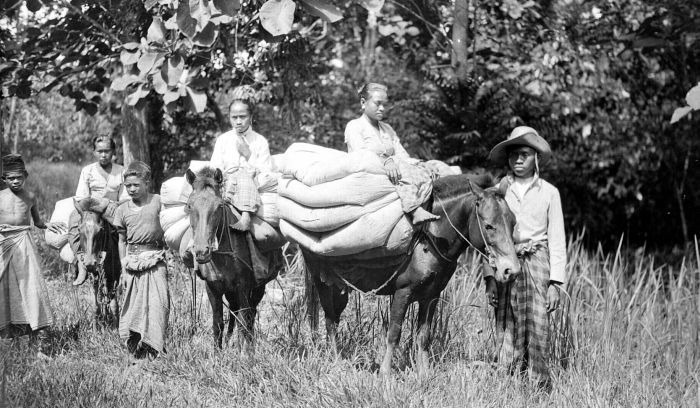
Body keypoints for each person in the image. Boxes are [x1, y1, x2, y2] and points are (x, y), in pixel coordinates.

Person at [484, 126, 567, 390]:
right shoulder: (498, 191)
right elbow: (490, 237)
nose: (518, 160)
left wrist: (556, 283)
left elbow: (556, 239)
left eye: (524, 154)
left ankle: (539, 383)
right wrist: (489, 277)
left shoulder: (549, 192)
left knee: (538, 320)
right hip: (507, 260)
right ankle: (507, 381)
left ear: (535, 158)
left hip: (538, 260)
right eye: (513, 155)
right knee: (507, 317)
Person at [344, 82, 439, 225]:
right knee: (402, 168)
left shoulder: (387, 128)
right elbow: (360, 156)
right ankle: (414, 210)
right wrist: (385, 161)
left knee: (436, 166)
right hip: (371, 172)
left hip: (395, 168)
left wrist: (422, 164)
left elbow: (402, 155)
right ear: (363, 103)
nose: (382, 108)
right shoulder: (354, 126)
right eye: (377, 103)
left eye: (385, 104)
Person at [0, 154, 66, 340]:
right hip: (3, 242)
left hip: (24, 242)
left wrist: (47, 225)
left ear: (25, 176)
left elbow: (37, 221)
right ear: (3, 178)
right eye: (10, 178)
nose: (15, 181)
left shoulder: (30, 197)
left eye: (19, 177)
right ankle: (7, 333)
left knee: (30, 284)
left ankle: (36, 331)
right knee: (4, 285)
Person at [113, 161, 169, 362]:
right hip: (132, 261)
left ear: (147, 183)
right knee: (134, 305)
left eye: (136, 185)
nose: (132, 189)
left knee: (158, 303)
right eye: (128, 186)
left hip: (155, 259)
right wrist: (123, 266)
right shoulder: (122, 210)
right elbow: (121, 240)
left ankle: (154, 347)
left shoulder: (158, 201)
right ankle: (136, 348)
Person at [210, 88, 275, 232]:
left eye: (243, 116)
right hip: (226, 184)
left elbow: (266, 173)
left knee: (243, 174)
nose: (238, 121)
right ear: (229, 117)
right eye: (234, 117)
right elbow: (215, 167)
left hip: (250, 185)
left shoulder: (260, 141)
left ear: (251, 117)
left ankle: (245, 217)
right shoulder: (223, 140)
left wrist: (248, 155)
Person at [69, 135, 127, 286]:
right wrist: (95, 206)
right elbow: (82, 197)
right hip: (91, 209)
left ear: (113, 151)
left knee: (123, 230)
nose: (103, 155)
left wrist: (111, 204)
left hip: (113, 208)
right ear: (94, 152)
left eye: (107, 151)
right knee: (74, 223)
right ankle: (81, 260)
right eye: (100, 151)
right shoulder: (87, 171)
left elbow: (125, 197)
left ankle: (124, 265)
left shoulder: (121, 171)